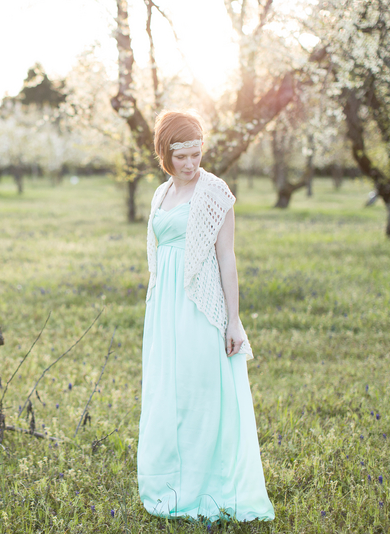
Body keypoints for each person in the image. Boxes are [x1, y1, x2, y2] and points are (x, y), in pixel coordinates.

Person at [137, 110, 274, 522]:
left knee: (200, 394)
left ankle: (207, 489)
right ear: (166, 154)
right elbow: (160, 254)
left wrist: (234, 319)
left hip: (200, 305)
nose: (192, 163)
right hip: (165, 309)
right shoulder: (160, 195)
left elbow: (226, 257)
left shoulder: (215, 191)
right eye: (182, 156)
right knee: (169, 393)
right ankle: (171, 483)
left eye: (197, 154)